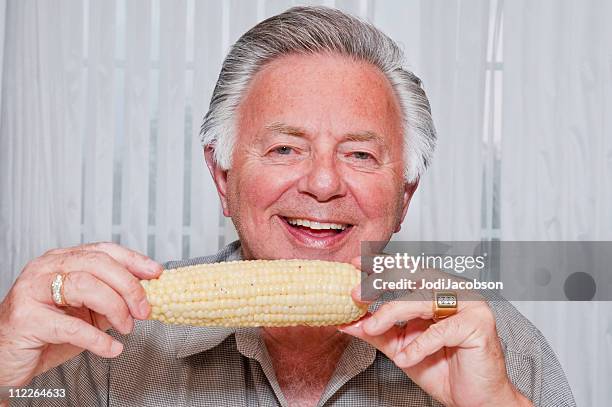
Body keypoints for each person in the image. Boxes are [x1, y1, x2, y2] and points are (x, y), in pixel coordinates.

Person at [0, 6, 575, 407]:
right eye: (284, 148)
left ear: (405, 197)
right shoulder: (102, 339)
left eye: (358, 153)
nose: (323, 183)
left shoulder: (492, 342)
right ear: (222, 177)